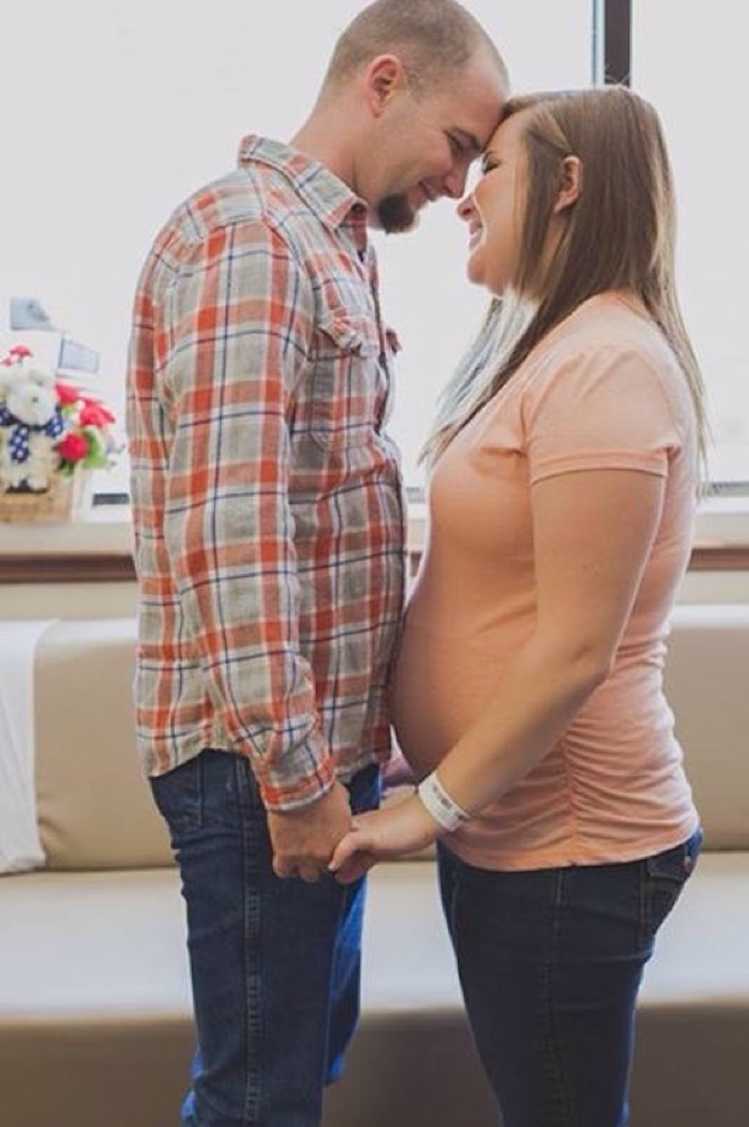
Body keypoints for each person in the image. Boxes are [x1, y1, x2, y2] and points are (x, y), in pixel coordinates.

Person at [125, 2, 508, 1123]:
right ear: (384, 82)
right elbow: (234, 532)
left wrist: (355, 748)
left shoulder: (327, 245)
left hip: (306, 758)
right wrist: (298, 778)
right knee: (258, 1095)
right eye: (459, 144)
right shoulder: (253, 238)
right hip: (259, 773)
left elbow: (321, 512)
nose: (460, 183)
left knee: (295, 1070)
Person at [330, 86, 708, 1127]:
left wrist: (432, 803)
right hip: (515, 831)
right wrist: (424, 756)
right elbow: (488, 592)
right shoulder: (550, 347)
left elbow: (576, 648)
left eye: (489, 166)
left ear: (568, 186)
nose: (462, 194)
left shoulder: (606, 364)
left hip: (571, 846)